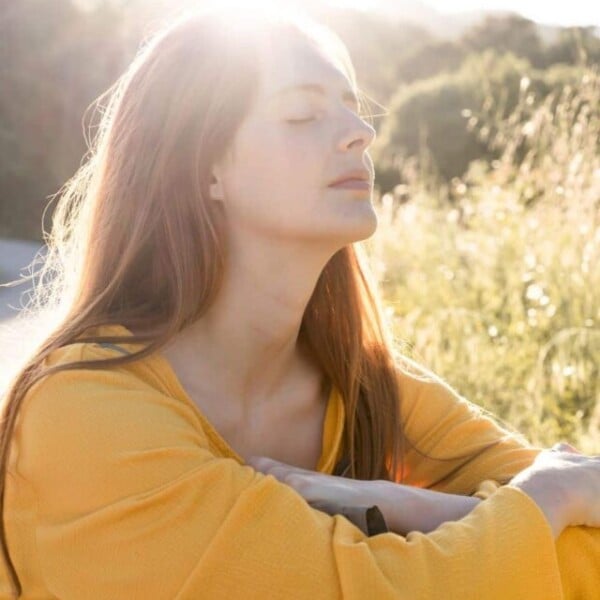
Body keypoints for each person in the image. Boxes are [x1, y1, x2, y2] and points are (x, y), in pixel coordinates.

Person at [0, 6, 598, 599]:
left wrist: (405, 503)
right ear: (202, 165)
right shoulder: (81, 410)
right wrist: (538, 502)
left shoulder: (364, 389)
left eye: (351, 107)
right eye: (303, 113)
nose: (359, 131)